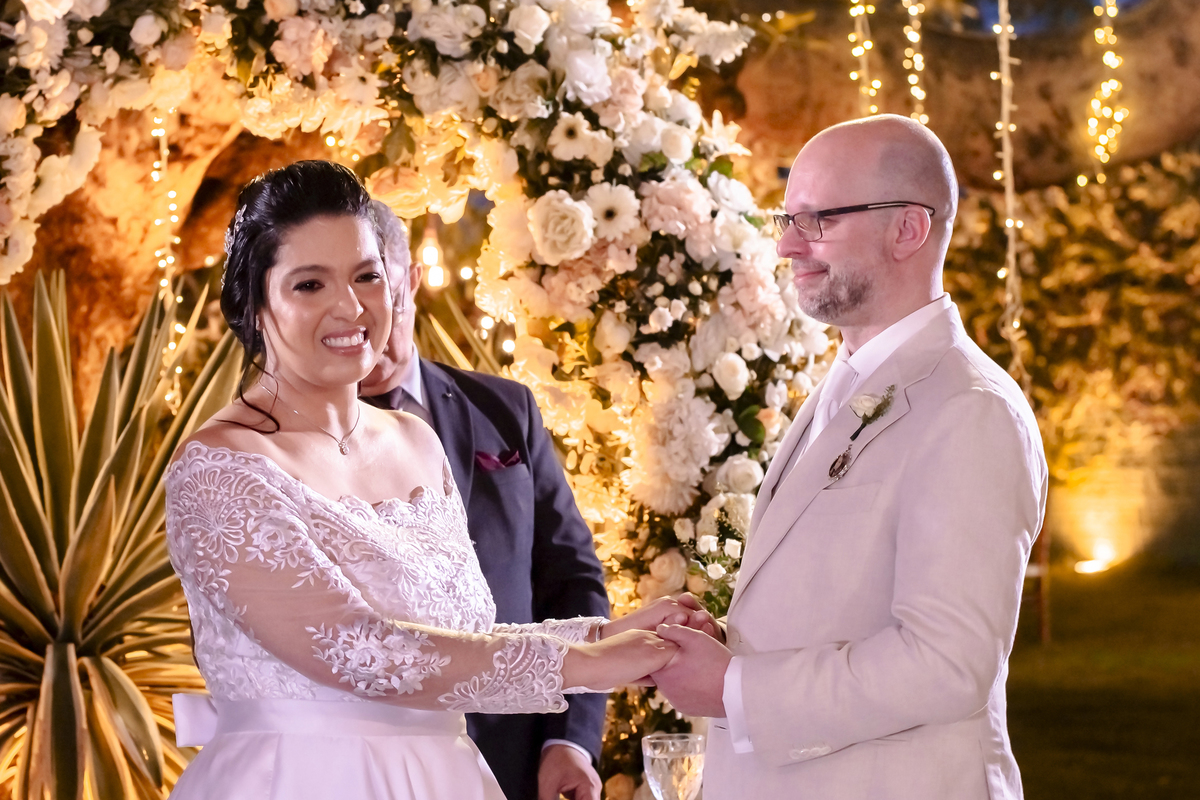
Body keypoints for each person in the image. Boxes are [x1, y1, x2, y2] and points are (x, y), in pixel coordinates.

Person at [163, 160, 701, 800]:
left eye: (367, 276)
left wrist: (612, 635)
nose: (351, 305)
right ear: (254, 307)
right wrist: (583, 662)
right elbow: (361, 649)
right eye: (310, 284)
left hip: (443, 775)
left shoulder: (417, 442)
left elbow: (465, 639)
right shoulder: (220, 467)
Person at [650, 115, 1049, 800]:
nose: (785, 244)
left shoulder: (969, 409)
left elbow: (947, 663)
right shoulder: (846, 384)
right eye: (787, 218)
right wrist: (733, 639)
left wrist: (734, 686)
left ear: (909, 230)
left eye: (817, 220)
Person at [358, 202, 611, 800]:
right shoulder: (290, 444)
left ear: (412, 277)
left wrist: (569, 741)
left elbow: (570, 578)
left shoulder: (506, 409)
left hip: (517, 765)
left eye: (383, 290)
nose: (369, 323)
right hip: (373, 766)